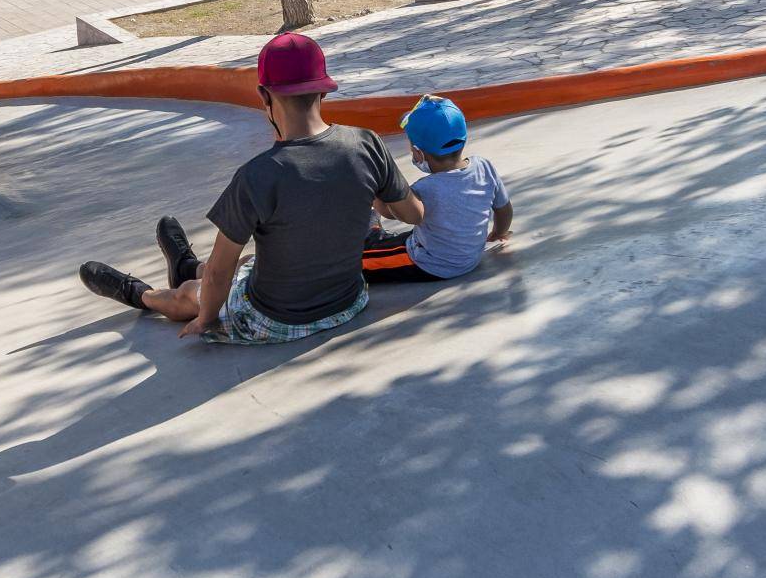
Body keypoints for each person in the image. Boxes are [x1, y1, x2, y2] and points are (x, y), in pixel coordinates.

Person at [79, 32, 424, 344]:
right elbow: (413, 214)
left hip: (279, 320)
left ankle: (140, 293)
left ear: (264, 95)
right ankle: (184, 263)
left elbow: (219, 273)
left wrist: (207, 320)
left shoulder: (258, 175)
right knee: (255, 259)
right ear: (324, 88)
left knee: (194, 292)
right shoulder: (367, 144)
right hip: (349, 302)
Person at [361, 95, 513, 283]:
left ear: (418, 153)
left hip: (430, 264)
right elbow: (504, 209)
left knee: (357, 262)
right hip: (470, 256)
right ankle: (372, 228)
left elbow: (391, 211)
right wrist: (499, 231)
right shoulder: (484, 167)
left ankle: (371, 229)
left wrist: (374, 188)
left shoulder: (424, 189)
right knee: (391, 240)